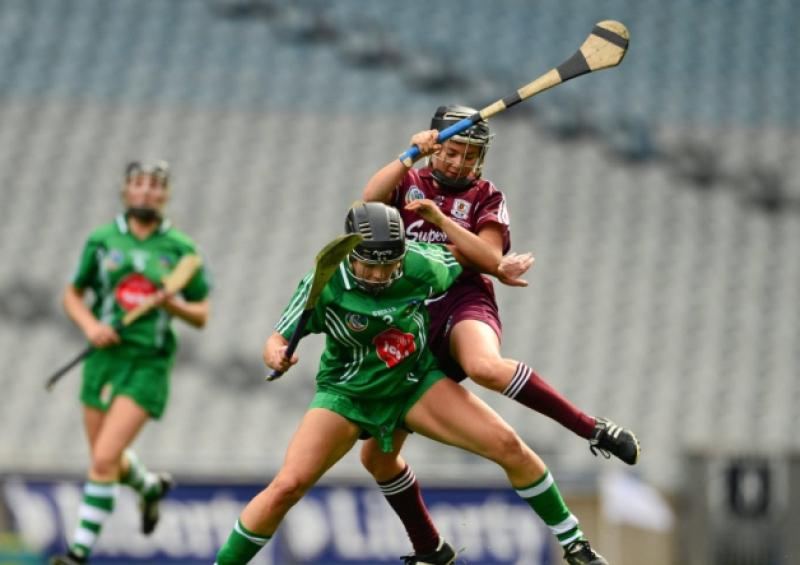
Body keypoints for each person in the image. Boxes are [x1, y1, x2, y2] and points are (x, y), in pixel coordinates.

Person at [213, 201, 608, 565]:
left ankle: (575, 544)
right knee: (287, 486)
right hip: (346, 396)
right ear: (351, 254)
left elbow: (468, 258)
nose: (379, 274)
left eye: (388, 265)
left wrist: (498, 266)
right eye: (369, 265)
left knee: (507, 445)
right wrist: (277, 356)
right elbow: (277, 339)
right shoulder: (325, 283)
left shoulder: (421, 263)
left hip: (414, 384)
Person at [359, 105, 640, 563]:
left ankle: (590, 428)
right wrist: (409, 155)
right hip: (408, 319)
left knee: (484, 366)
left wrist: (441, 222)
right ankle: (430, 548)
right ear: (435, 147)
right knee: (376, 458)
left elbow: (488, 258)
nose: (460, 164)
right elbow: (367, 202)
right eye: (452, 152)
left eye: (470, 155)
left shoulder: (487, 196)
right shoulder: (408, 179)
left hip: (461, 301)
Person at [51, 161, 212, 565]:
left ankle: (78, 553)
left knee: (104, 459)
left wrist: (172, 304)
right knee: (107, 459)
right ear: (125, 190)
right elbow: (72, 294)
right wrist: (91, 327)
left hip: (148, 363)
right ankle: (149, 487)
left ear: (165, 195)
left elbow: (201, 314)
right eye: (139, 184)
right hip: (103, 358)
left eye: (155, 186)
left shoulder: (180, 248)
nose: (146, 192)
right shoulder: (102, 240)